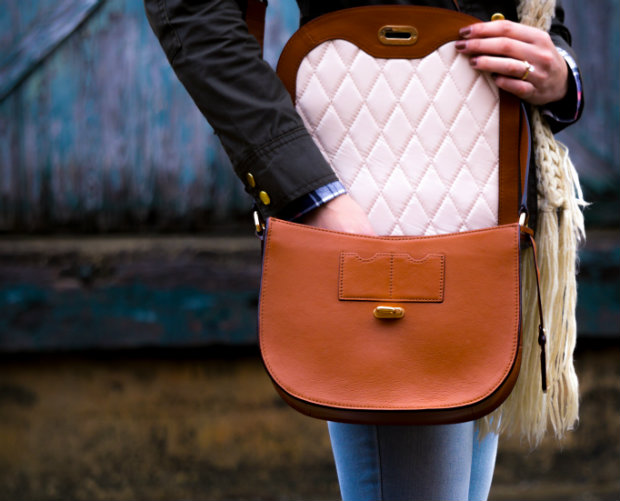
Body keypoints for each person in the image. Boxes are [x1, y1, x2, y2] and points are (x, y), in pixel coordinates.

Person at [144, 1, 583, 499]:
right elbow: (192, 10)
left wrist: (560, 74)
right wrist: (311, 196)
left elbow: (536, 14)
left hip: (489, 217)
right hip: (369, 207)